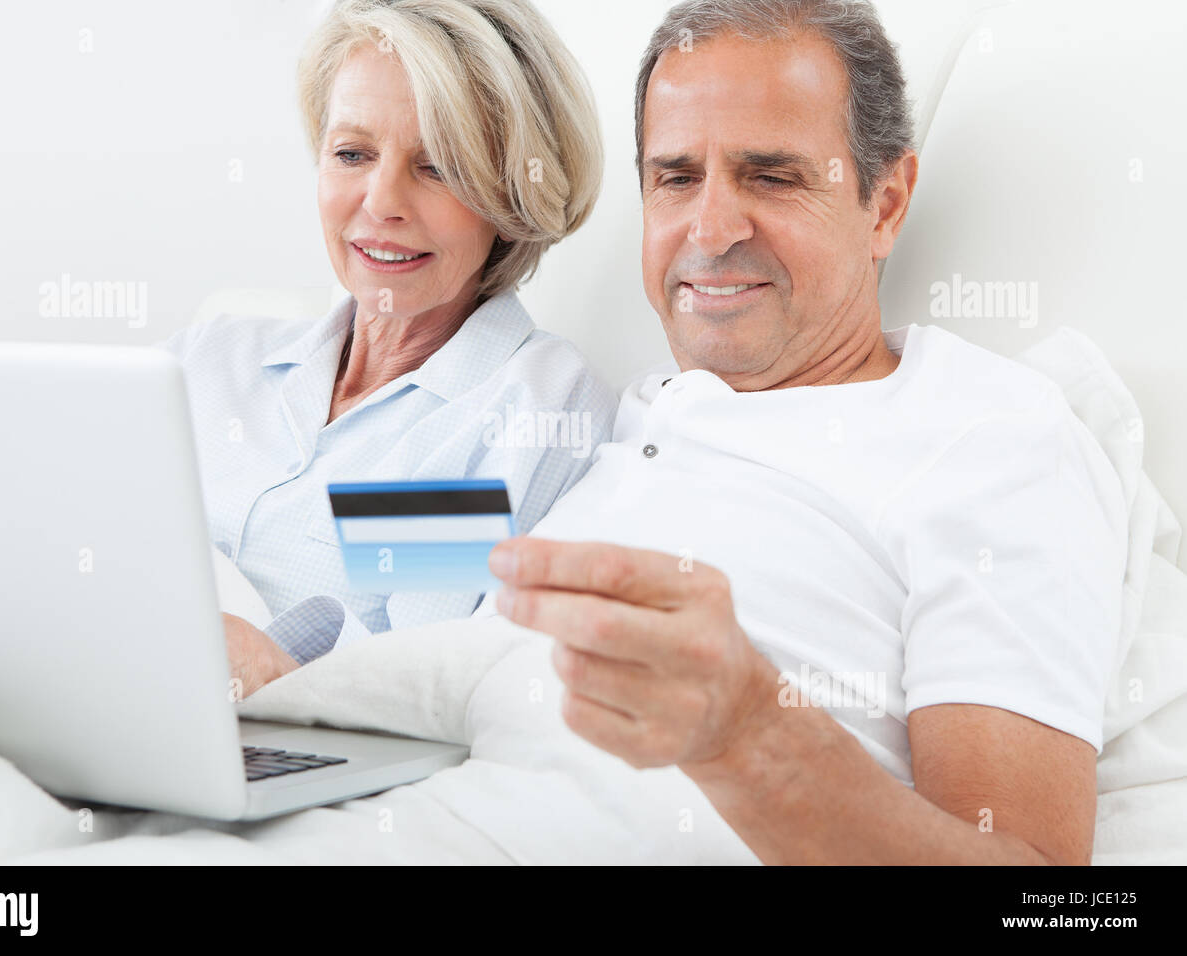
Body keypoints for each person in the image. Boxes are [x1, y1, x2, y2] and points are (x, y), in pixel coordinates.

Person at [234, 0, 1128, 864]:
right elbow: (349, 558)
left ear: (885, 203)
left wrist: (751, 734)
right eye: (676, 178)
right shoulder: (608, 425)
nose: (711, 228)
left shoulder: (986, 436)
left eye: (771, 176)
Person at [162, 0, 615, 671]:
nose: (380, 202)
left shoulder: (517, 406)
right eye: (352, 153)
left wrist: (245, 659)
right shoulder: (209, 358)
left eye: (438, 167)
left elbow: (406, 674)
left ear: (514, 198)